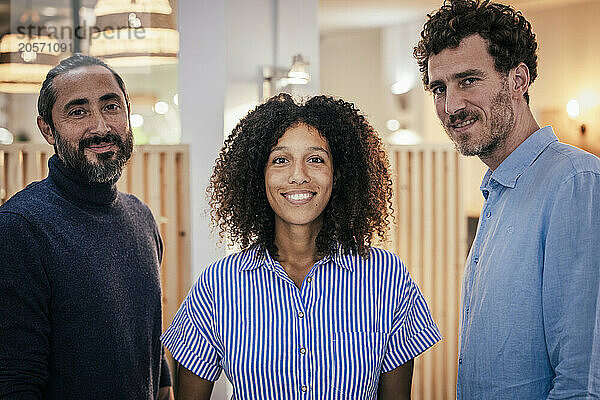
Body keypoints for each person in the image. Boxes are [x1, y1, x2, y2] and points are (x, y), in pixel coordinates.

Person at [161, 93, 441, 399]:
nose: (298, 176)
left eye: (316, 159)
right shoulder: (218, 285)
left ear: (339, 174)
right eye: (280, 160)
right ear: (259, 175)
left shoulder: (386, 278)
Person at [414, 0, 600, 398]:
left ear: (518, 80)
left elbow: (583, 378)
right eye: (439, 88)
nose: (451, 106)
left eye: (468, 80)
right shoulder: (499, 190)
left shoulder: (574, 182)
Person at [0, 54, 173, 400]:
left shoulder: (141, 219)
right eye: (78, 112)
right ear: (47, 129)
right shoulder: (19, 229)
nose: (101, 127)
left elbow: (148, 347)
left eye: (111, 106)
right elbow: (14, 381)